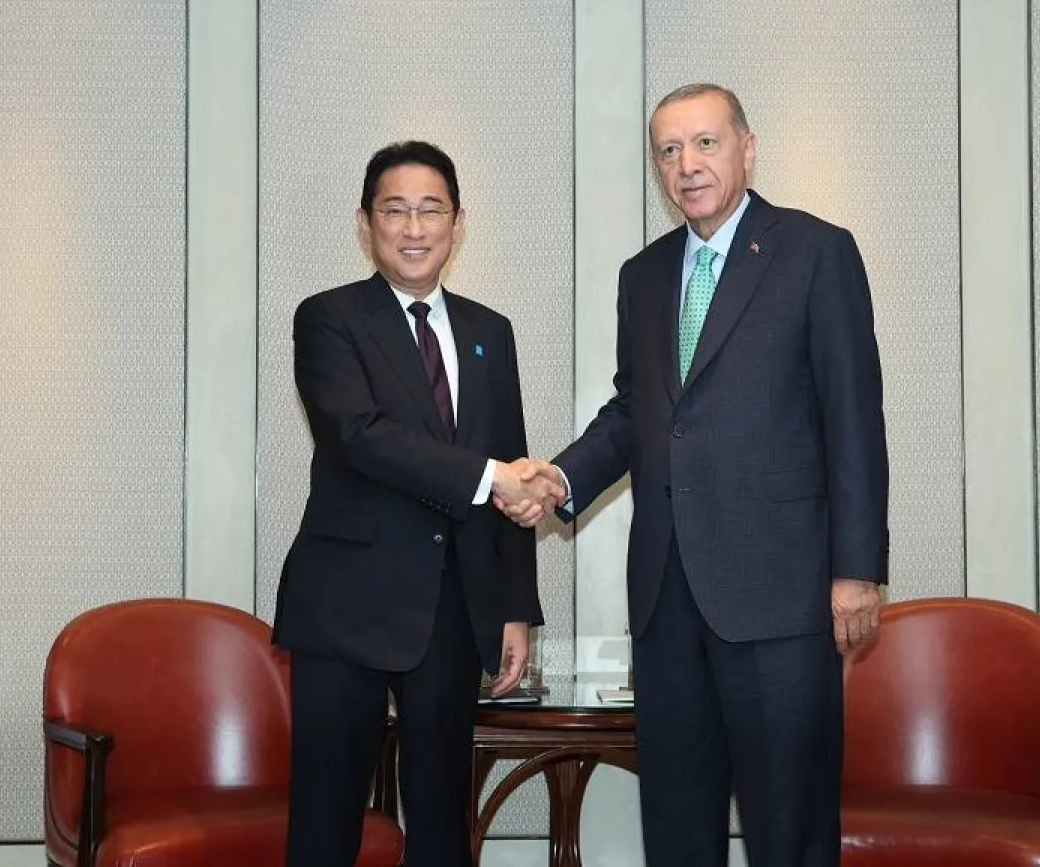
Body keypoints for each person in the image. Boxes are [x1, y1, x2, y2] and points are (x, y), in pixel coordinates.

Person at [506, 84, 890, 865]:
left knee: (789, 829)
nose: (688, 165)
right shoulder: (643, 276)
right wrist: (561, 478)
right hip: (667, 599)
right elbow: (635, 412)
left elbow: (854, 417)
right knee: (678, 828)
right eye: (670, 151)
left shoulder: (816, 252)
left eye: (706, 143)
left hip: (780, 597)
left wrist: (857, 570)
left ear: (748, 147)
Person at [274, 140, 557, 867]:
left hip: (453, 610)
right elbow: (361, 436)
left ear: (457, 222)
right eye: (394, 210)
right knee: (327, 818)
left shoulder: (490, 331)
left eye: (430, 210)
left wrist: (515, 606)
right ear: (365, 224)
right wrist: (495, 475)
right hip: (345, 605)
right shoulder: (328, 319)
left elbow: (510, 454)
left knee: (440, 818)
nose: (413, 227)